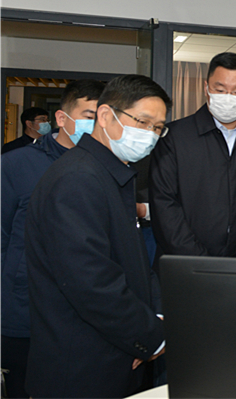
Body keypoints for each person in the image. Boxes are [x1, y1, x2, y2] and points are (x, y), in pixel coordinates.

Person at [23, 75, 169, 398]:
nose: (150, 135)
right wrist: (149, 336)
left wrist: (155, 318)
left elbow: (134, 263)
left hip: (113, 359)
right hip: (80, 369)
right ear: (105, 115)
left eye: (158, 128)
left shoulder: (111, 175)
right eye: (143, 122)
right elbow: (92, 283)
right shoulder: (78, 179)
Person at [1, 79, 104, 399]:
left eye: (102, 116)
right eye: (88, 115)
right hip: (23, 308)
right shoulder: (16, 163)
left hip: (85, 313)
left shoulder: (108, 167)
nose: (94, 124)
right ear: (62, 118)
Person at [150, 52, 236, 262]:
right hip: (184, 266)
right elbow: (164, 206)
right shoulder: (174, 137)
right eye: (220, 90)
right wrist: (202, 263)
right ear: (206, 88)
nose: (228, 97)